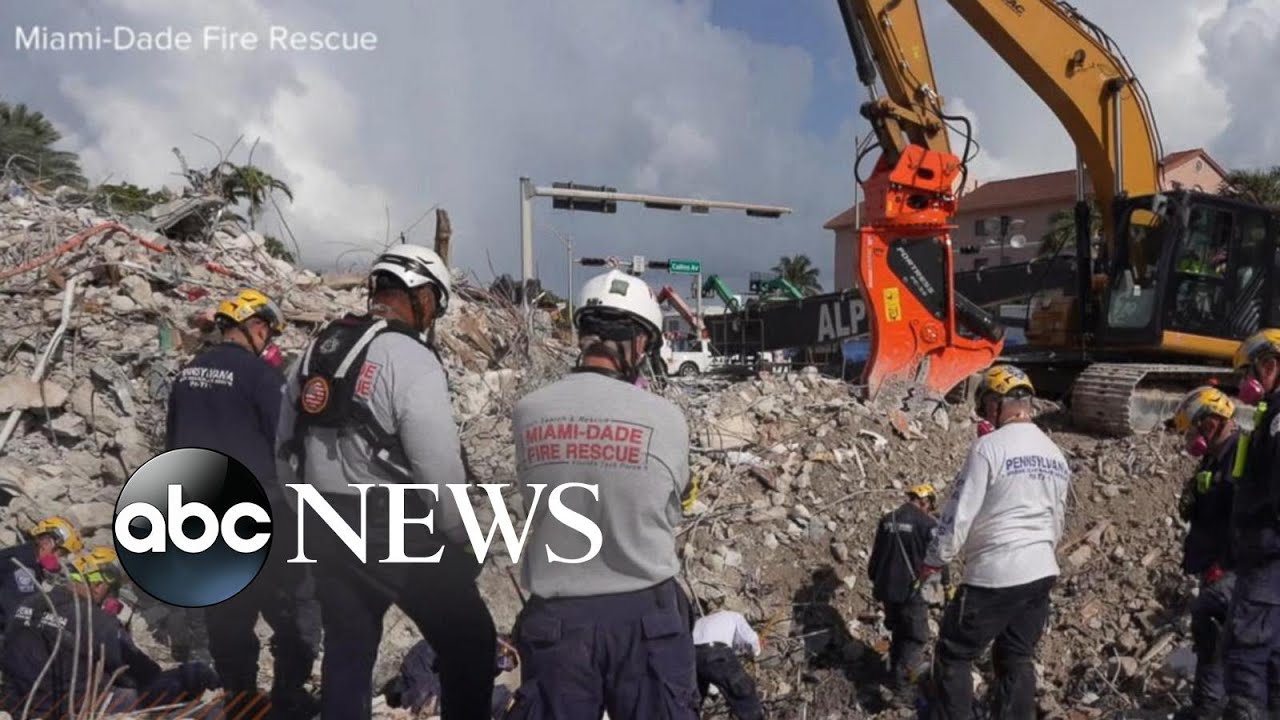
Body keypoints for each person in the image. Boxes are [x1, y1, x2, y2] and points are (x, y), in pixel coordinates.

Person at [277, 244, 496, 719]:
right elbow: (438, 470)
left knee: (348, 651)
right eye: (435, 304)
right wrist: (463, 537)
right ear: (421, 297)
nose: (433, 316)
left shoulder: (318, 349)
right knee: (472, 644)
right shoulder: (411, 360)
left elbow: (284, 448)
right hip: (394, 527)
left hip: (326, 523)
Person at [505, 269, 700, 720]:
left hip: (557, 621)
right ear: (640, 343)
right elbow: (673, 509)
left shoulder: (528, 412)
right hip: (645, 618)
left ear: (584, 334)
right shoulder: (666, 418)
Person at [165, 288, 320, 718]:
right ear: (254, 327)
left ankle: (241, 698)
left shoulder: (187, 374)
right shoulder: (260, 377)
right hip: (260, 509)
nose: (268, 342)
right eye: (266, 332)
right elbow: (287, 443)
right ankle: (289, 694)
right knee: (297, 603)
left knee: (227, 611)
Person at [920, 364, 1071, 719]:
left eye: (987, 403)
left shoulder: (987, 448)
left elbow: (959, 514)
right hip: (1040, 571)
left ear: (996, 404)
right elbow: (1057, 519)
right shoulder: (1055, 454)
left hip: (995, 573)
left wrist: (934, 560)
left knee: (954, 652)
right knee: (1016, 657)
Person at [1172, 386, 1241, 719]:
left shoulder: (1240, 455)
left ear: (1211, 421)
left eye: (1194, 429)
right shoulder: (1215, 456)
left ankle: (1212, 708)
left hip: (1229, 565)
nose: (1192, 438)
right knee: (1209, 634)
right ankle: (1210, 705)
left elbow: (1245, 517)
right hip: (1212, 561)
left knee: (1214, 631)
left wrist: (1224, 562)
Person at [1222, 329, 1280, 720]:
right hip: (1267, 548)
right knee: (1273, 648)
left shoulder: (1278, 417)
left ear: (1270, 365)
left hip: (1268, 548)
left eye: (1249, 373)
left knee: (1248, 645)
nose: (1246, 383)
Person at [867, 483, 949, 703]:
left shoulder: (887, 520)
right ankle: (902, 691)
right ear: (925, 501)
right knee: (915, 637)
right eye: (929, 505)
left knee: (899, 633)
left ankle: (893, 674)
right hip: (911, 591)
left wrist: (879, 583)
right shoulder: (927, 524)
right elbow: (939, 557)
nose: (929, 509)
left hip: (887, 590)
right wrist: (946, 586)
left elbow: (873, 563)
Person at [0, 516, 82, 634]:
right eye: (62, 553)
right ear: (46, 542)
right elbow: (19, 614)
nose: (61, 560)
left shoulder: (28, 558)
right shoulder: (23, 567)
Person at [692, 608, 765, 720]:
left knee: (694, 702)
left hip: (692, 656)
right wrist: (757, 649)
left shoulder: (700, 622)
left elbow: (711, 671)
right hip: (717, 651)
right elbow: (751, 639)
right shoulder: (733, 616)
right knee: (743, 689)